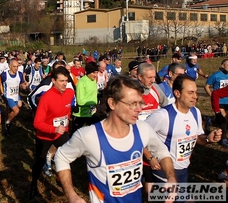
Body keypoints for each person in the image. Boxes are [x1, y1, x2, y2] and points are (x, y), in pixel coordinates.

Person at [54, 75, 176, 203]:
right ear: (112, 103)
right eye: (132, 104)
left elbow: (162, 152)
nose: (140, 109)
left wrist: (171, 178)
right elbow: (61, 157)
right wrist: (72, 195)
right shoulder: (89, 135)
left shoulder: (143, 128)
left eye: (140, 103)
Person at [146, 74, 222, 184]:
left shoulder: (196, 112)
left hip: (184, 168)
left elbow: (197, 138)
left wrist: (208, 139)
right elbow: (139, 136)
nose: (195, 96)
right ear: (177, 93)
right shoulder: (163, 115)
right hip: (164, 170)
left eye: (195, 92)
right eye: (190, 93)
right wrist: (150, 158)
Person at [28, 67, 75, 199]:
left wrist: (67, 120)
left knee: (67, 156)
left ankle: (61, 178)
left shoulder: (70, 92)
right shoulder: (46, 98)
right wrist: (54, 129)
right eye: (61, 81)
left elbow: (66, 110)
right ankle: (33, 185)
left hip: (61, 133)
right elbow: (37, 123)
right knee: (39, 162)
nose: (65, 84)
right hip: (44, 135)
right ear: (53, 81)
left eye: (66, 80)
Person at [0, 58, 27, 136]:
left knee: (17, 107)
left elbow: (22, 84)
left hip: (16, 95)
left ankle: (7, 125)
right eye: (14, 66)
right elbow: (0, 83)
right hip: (8, 96)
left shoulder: (20, 74)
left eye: (17, 66)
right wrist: (2, 93)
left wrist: (23, 86)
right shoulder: (4, 75)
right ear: (10, 66)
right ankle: (7, 124)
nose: (16, 68)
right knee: (16, 111)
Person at [205, 59, 228, 147]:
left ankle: (211, 120)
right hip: (220, 101)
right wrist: (212, 97)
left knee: (224, 120)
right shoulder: (215, 75)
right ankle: (223, 139)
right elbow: (207, 86)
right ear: (222, 66)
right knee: (224, 120)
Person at [72, 62, 99, 133]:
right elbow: (80, 101)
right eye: (93, 73)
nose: (96, 75)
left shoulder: (93, 80)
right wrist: (94, 102)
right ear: (88, 72)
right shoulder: (81, 82)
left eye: (97, 72)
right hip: (81, 114)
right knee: (75, 136)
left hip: (91, 112)